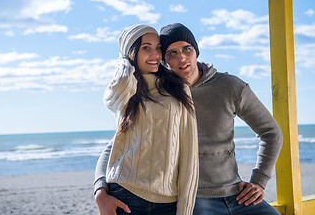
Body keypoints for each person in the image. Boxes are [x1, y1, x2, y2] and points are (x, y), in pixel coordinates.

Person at [94, 23, 283, 215]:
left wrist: (259, 180)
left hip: (237, 193)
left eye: (187, 49)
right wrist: (100, 189)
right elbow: (118, 145)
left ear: (196, 51)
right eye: (172, 53)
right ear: (164, 60)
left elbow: (271, 133)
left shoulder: (230, 86)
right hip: (194, 199)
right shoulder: (161, 94)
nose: (181, 57)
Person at [94, 24, 199, 215]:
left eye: (158, 48)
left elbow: (189, 155)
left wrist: (185, 211)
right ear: (131, 53)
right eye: (146, 48)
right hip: (125, 195)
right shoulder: (125, 88)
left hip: (168, 203)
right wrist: (124, 59)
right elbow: (115, 94)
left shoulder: (179, 89)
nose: (155, 55)